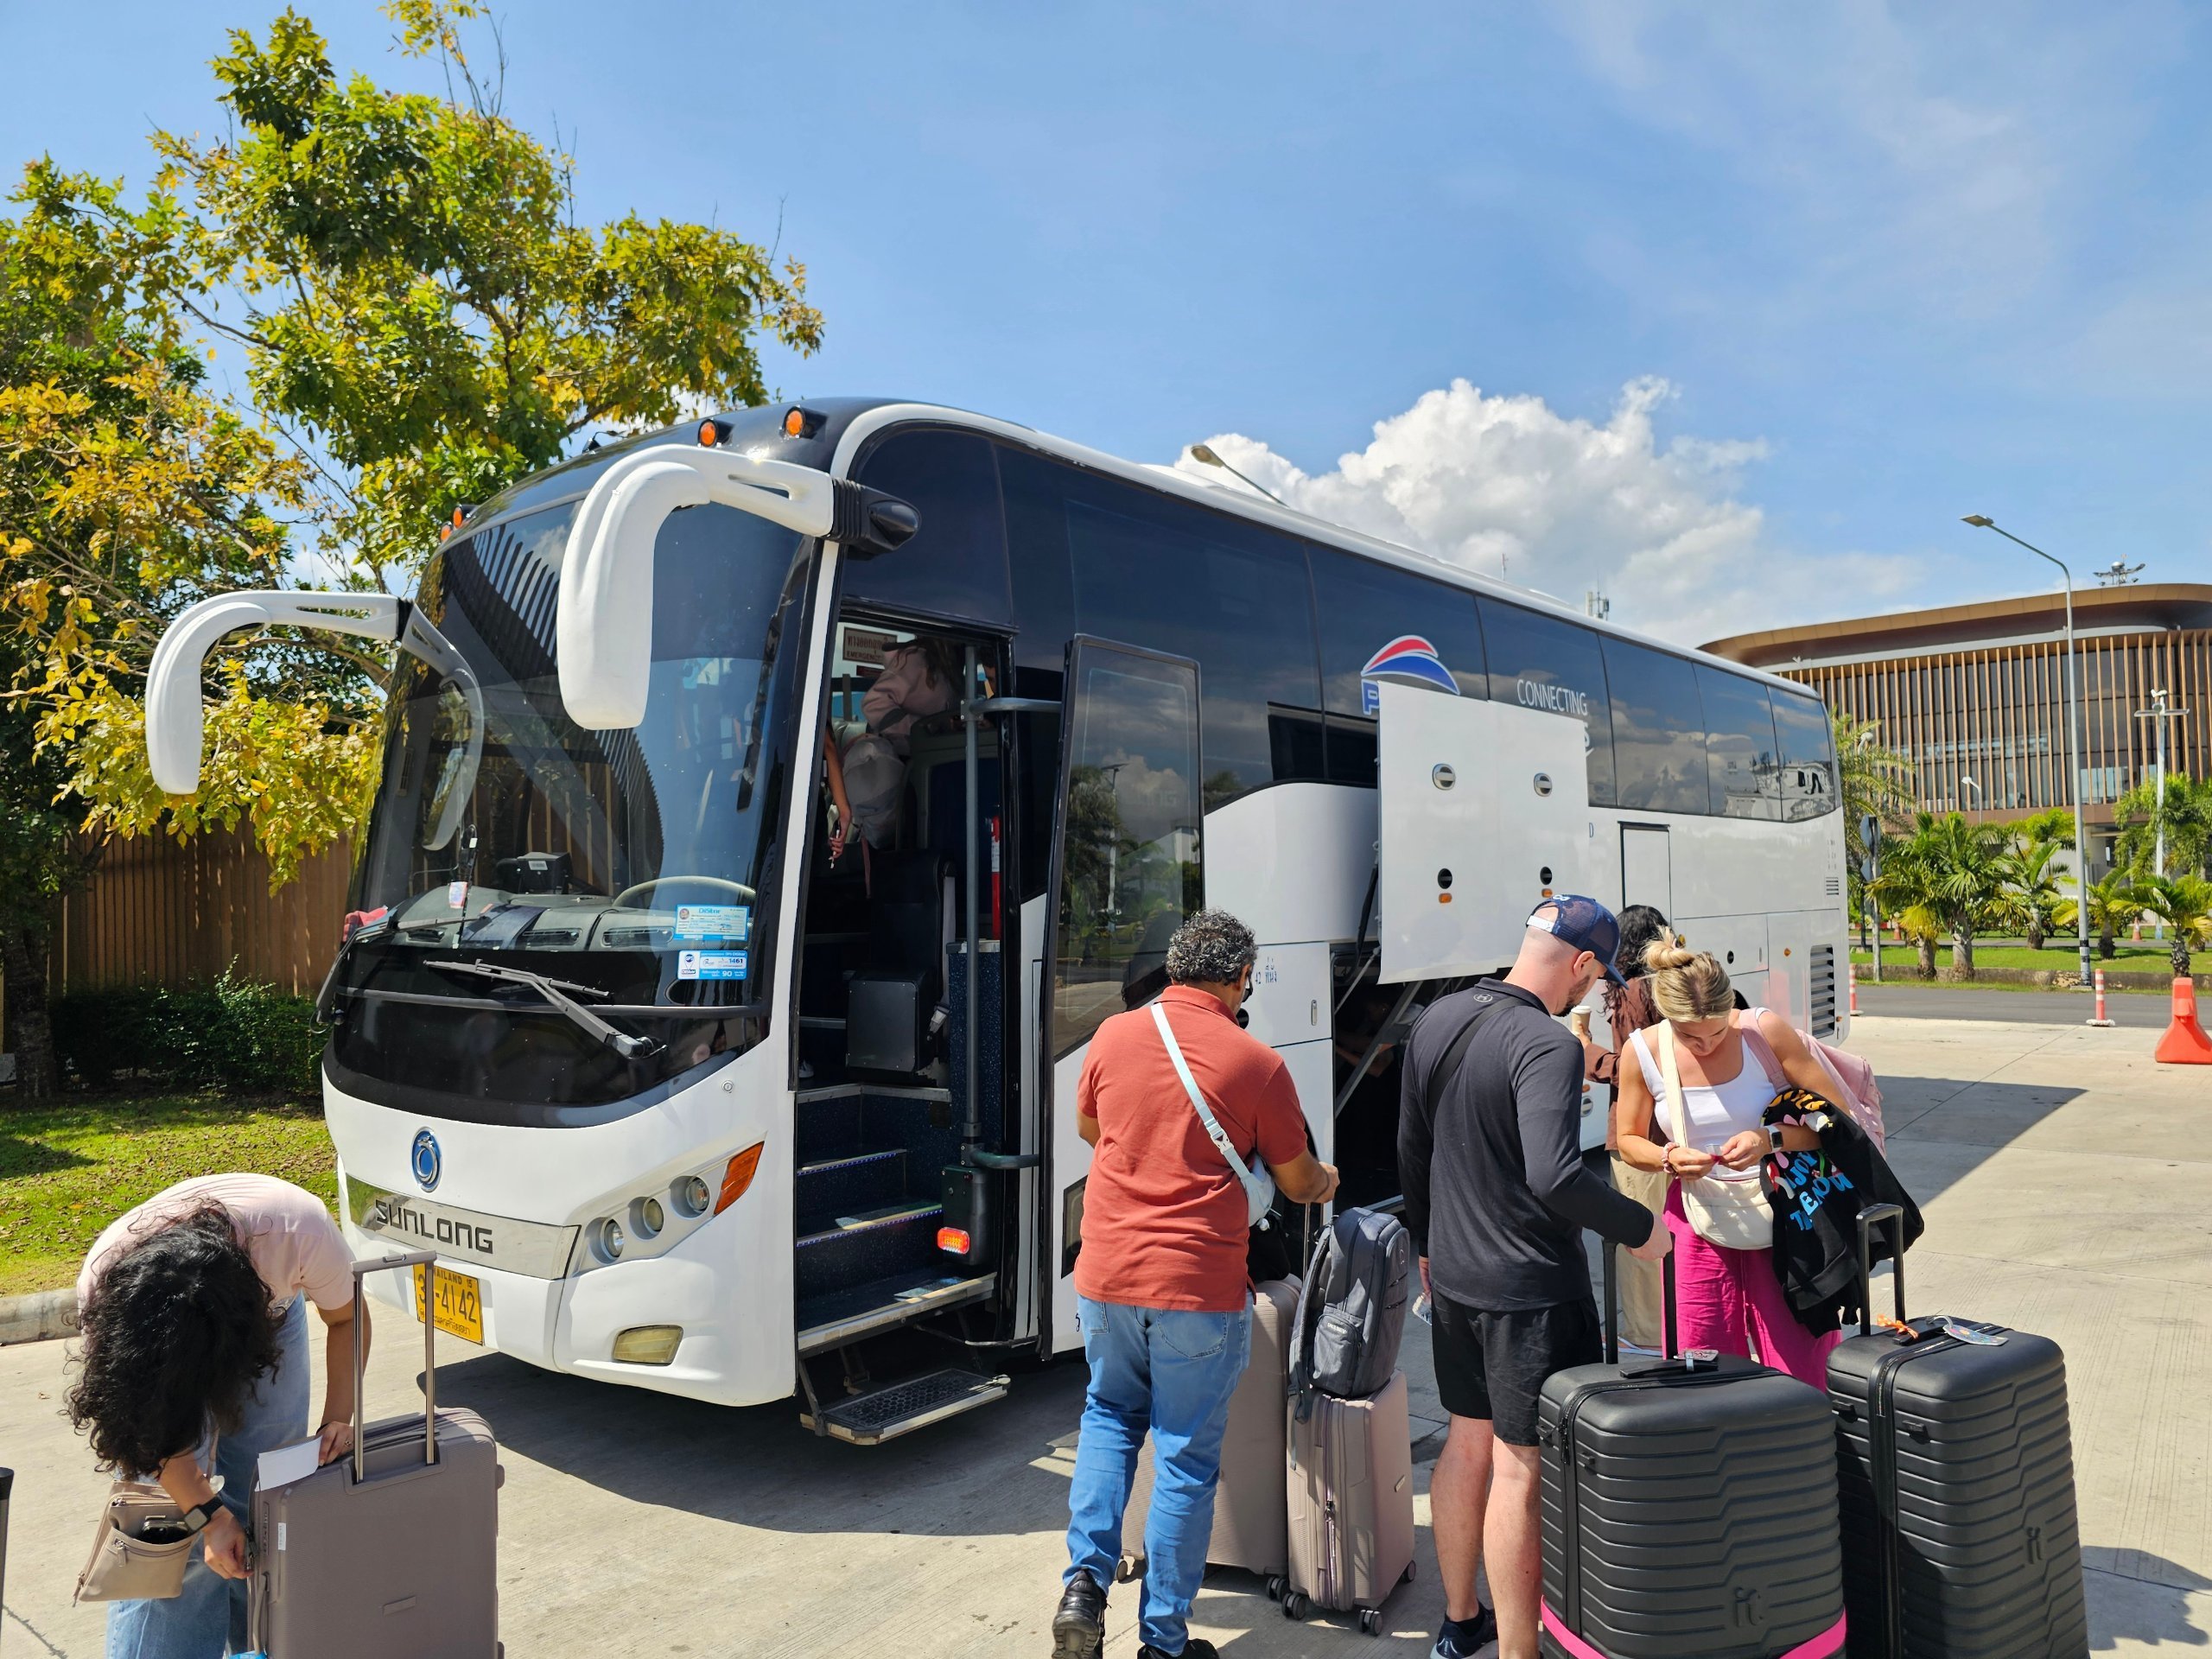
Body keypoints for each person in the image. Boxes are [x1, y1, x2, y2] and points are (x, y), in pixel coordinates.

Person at [1052, 908, 1340, 1659]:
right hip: (1196, 1288)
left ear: (1174, 969)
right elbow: (1296, 1180)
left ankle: (1083, 1586)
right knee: (1182, 1457)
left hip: (1105, 1274)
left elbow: (1092, 1130)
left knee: (1108, 1418)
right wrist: (1327, 1178)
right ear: (1241, 977)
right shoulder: (1257, 1063)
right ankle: (1163, 1642)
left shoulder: (1113, 1035)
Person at [1400, 896, 1673, 1659]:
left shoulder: (1438, 1018)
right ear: (1581, 964)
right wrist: (1641, 1228)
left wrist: (1427, 1245)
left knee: (1466, 1443)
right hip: (1528, 1290)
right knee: (1521, 1468)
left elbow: (1412, 1149)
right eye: (1598, 976)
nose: (1595, 990)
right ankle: (1521, 1650)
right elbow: (1556, 1177)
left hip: (1455, 1277)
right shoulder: (1548, 1044)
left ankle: (1461, 1622)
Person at [68, 1174, 365, 1658]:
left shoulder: (298, 1233)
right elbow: (149, 1434)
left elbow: (348, 1317)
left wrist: (338, 1418)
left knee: (265, 1498)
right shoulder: (108, 1290)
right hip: (153, 1347)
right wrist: (207, 1516)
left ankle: (258, 1646)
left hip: (264, 1305)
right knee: (168, 1528)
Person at [1612, 941, 1851, 1385]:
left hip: (1787, 1215)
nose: (1705, 1046)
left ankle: (1805, 1428)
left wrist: (1770, 1139)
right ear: (1666, 1018)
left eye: (1718, 1032)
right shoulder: (1642, 1050)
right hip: (1696, 1217)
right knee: (1702, 1363)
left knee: (1802, 1359)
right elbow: (1628, 1140)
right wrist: (1668, 1157)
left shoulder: (1764, 1031)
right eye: (1690, 1037)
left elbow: (1839, 1120)